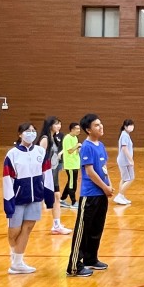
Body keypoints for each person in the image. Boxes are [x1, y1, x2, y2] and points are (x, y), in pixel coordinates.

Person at [2, 123, 53, 275]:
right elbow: (7, 178)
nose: (31, 133)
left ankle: (18, 262)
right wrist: (8, 201)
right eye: (27, 131)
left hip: (35, 197)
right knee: (14, 231)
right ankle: (14, 253)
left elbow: (47, 174)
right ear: (20, 134)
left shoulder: (40, 152)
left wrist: (48, 196)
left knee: (28, 228)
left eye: (33, 130)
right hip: (17, 198)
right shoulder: (12, 154)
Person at [66, 114, 113, 277]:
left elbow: (104, 167)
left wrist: (109, 185)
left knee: (96, 228)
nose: (101, 127)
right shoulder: (86, 146)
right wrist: (105, 188)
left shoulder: (101, 145)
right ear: (88, 129)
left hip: (101, 194)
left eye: (101, 124)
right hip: (90, 195)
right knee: (83, 231)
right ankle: (73, 266)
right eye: (96, 125)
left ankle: (90, 259)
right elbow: (90, 172)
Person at [38, 117, 71, 235]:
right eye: (56, 124)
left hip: (53, 172)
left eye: (60, 124)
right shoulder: (45, 139)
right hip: (46, 174)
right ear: (50, 125)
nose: (59, 126)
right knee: (49, 198)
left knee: (57, 196)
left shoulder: (55, 138)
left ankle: (56, 225)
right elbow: (39, 158)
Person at [59, 122, 81, 209]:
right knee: (72, 184)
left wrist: (78, 149)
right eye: (77, 129)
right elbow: (69, 151)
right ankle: (73, 202)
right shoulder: (67, 138)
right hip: (70, 165)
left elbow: (75, 151)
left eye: (79, 129)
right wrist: (77, 145)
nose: (79, 130)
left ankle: (62, 199)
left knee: (70, 182)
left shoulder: (75, 137)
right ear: (72, 129)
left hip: (75, 164)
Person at [115, 119, 135, 205]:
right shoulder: (124, 135)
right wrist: (131, 160)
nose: (131, 127)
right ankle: (119, 195)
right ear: (125, 126)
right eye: (129, 125)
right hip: (124, 160)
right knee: (130, 178)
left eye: (132, 125)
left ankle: (122, 196)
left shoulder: (126, 135)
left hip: (125, 160)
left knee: (124, 179)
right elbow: (124, 148)